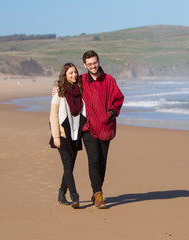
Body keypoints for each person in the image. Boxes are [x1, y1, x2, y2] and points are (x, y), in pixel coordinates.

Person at [80, 50, 124, 209]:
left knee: (103, 161)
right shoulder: (81, 80)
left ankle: (96, 191)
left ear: (98, 61)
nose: (93, 66)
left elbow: (119, 98)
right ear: (85, 65)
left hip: (105, 126)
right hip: (88, 127)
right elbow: (68, 90)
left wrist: (111, 113)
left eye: (95, 62)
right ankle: (98, 193)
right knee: (94, 159)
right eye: (89, 64)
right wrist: (57, 88)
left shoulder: (109, 80)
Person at [49, 63, 87, 209]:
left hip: (76, 134)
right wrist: (56, 137)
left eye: (75, 72)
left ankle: (61, 193)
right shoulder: (59, 91)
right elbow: (53, 116)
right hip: (63, 134)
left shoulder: (80, 90)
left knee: (69, 167)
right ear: (64, 75)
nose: (74, 75)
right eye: (70, 73)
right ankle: (75, 196)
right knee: (68, 165)